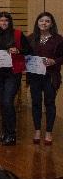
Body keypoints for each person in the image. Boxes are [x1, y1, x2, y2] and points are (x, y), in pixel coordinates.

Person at [0, 12, 31, 146]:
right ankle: (5, 133)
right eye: (1, 21)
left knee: (8, 101)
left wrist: (18, 51)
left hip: (13, 73)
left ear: (10, 22)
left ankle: (12, 135)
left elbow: (29, 49)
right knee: (2, 102)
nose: (4, 23)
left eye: (6, 21)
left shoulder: (18, 34)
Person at [27, 12, 62, 145]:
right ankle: (37, 130)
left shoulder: (58, 39)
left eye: (47, 21)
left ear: (51, 24)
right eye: (41, 21)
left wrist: (54, 61)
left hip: (50, 76)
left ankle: (48, 132)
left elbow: (62, 57)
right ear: (37, 23)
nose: (44, 23)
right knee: (36, 103)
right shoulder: (30, 38)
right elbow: (25, 54)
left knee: (50, 104)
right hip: (34, 76)